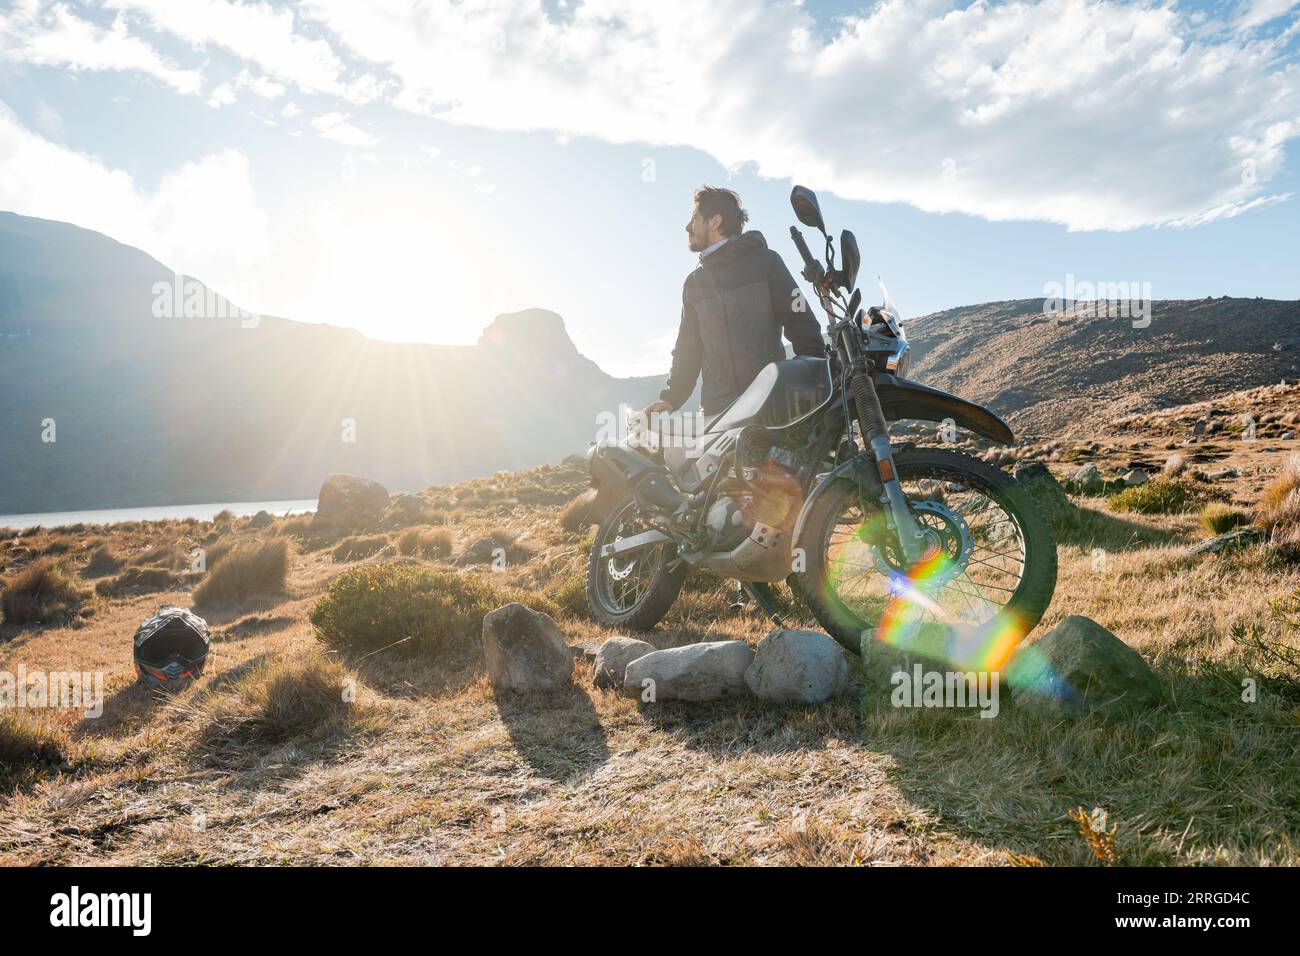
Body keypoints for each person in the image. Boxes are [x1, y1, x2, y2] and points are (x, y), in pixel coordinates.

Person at [643, 186, 824, 420]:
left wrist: (814, 381)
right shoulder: (694, 283)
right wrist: (671, 398)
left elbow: (801, 322)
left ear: (715, 221)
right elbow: (688, 349)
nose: (688, 227)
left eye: (695, 219)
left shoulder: (766, 263)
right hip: (716, 415)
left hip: (769, 408)